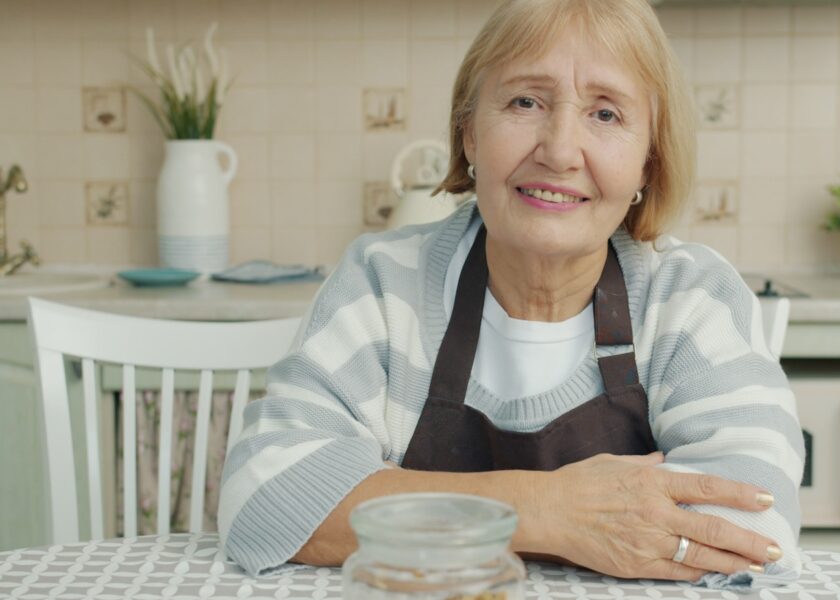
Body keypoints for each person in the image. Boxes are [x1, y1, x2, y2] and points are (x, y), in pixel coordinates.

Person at [218, 0, 803, 589]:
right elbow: (268, 496)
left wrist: (395, 498)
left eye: (605, 114)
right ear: (469, 131)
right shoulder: (383, 281)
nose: (559, 150)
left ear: (649, 161)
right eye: (526, 102)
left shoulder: (690, 298)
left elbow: (752, 522)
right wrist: (547, 508)